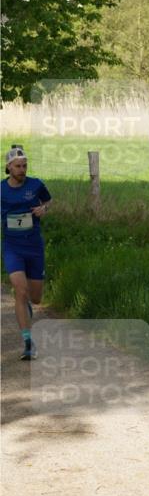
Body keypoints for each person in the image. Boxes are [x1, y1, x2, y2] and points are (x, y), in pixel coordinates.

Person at [1, 145, 53, 360]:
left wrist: (44, 209)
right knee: (20, 292)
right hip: (12, 247)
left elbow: (48, 201)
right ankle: (28, 342)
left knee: (36, 297)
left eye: (24, 166)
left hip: (34, 247)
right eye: (18, 166)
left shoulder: (36, 185)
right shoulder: (1, 189)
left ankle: (28, 304)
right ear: (8, 167)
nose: (22, 170)